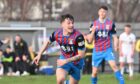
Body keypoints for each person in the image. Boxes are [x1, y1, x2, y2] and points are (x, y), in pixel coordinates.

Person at [33, 14, 85, 84]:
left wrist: (66, 61)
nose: (71, 25)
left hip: (77, 63)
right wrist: (39, 54)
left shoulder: (78, 36)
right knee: (60, 80)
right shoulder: (57, 34)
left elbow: (81, 55)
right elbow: (47, 42)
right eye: (68, 23)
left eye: (72, 23)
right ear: (62, 24)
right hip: (64, 59)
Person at [86, 6, 125, 84]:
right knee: (94, 72)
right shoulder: (93, 24)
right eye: (101, 11)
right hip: (97, 50)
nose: (102, 13)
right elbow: (90, 40)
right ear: (98, 12)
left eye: (104, 12)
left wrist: (116, 45)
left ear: (106, 13)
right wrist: (93, 32)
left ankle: (122, 82)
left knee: (114, 65)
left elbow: (114, 37)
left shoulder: (111, 24)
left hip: (107, 49)